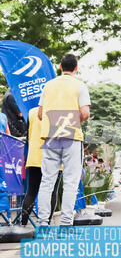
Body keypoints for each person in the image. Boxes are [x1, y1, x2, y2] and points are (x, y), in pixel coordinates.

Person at [37, 53, 90, 226]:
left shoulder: (48, 86)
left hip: (50, 135)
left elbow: (39, 114)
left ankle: (43, 223)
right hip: (71, 135)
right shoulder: (80, 85)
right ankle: (66, 224)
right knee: (71, 182)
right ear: (76, 68)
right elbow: (85, 113)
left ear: (60, 66)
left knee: (47, 181)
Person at [20, 106, 61, 226]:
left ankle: (23, 225)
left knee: (31, 192)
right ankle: (46, 224)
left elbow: (28, 134)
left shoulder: (31, 112)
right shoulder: (60, 111)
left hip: (35, 156)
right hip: (54, 156)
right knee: (52, 192)